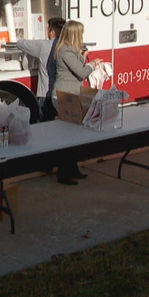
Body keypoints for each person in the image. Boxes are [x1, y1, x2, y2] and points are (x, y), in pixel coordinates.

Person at [52, 20, 103, 185]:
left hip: (71, 95)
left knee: (73, 136)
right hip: (65, 96)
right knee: (67, 137)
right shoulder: (65, 51)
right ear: (74, 34)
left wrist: (82, 57)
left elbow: (76, 66)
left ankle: (72, 169)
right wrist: (92, 65)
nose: (82, 36)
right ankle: (63, 173)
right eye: (80, 33)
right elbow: (80, 73)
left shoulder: (69, 50)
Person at [15, 17, 65, 122]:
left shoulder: (44, 45)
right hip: (63, 92)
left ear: (52, 32)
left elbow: (20, 43)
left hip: (46, 92)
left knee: (46, 124)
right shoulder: (66, 46)